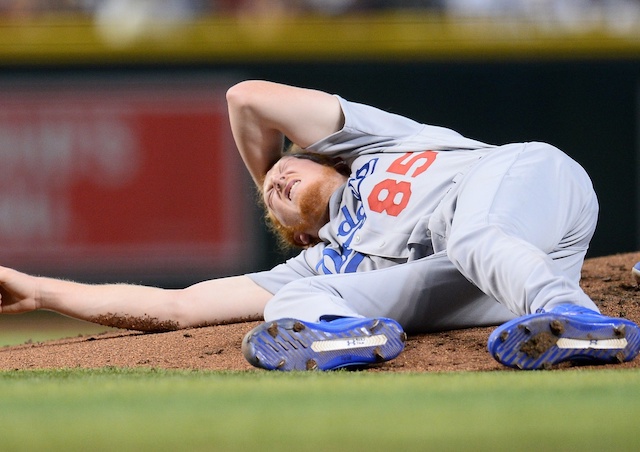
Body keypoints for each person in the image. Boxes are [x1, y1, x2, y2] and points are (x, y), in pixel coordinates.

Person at [1, 80, 638, 372]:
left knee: (477, 236)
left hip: (525, 183)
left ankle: (579, 318)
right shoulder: (318, 261)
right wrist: (38, 292)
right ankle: (342, 341)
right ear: (298, 235)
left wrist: (267, 174)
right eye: (272, 205)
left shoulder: (374, 144)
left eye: (289, 168)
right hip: (494, 278)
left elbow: (246, 97)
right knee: (296, 304)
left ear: (318, 156)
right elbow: (179, 306)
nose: (278, 186)